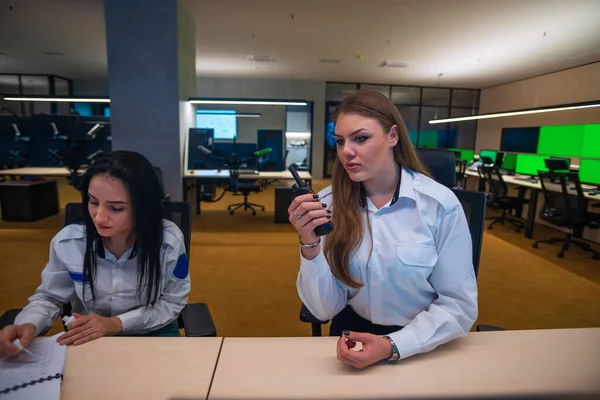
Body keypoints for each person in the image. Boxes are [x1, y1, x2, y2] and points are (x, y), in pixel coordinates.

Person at [289, 90, 477, 369]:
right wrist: (309, 244)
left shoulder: (439, 206)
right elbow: (323, 310)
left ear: (392, 136)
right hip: (350, 337)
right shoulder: (329, 204)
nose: (346, 151)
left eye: (360, 138)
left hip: (421, 340)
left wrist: (394, 345)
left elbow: (459, 305)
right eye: (340, 141)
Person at [0, 151, 190, 357]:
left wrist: (115, 324)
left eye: (116, 208)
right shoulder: (69, 242)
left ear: (144, 207)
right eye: (93, 202)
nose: (99, 217)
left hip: (152, 330)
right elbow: (49, 297)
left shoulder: (168, 242)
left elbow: (171, 302)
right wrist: (29, 323)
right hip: (91, 334)